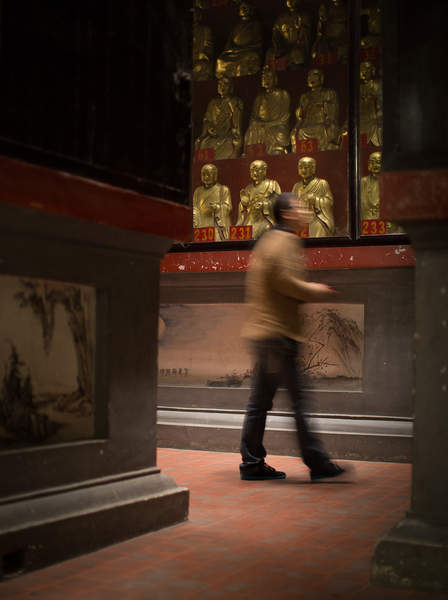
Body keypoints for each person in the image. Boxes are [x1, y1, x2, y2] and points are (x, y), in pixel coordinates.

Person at [239, 192, 347, 481]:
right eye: (298, 207)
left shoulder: (266, 241)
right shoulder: (286, 242)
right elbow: (285, 282)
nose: (304, 211)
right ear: (286, 213)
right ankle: (317, 462)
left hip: (265, 332)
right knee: (298, 401)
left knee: (260, 402)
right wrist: (317, 290)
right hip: (278, 335)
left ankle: (251, 463)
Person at [243, 65, 291, 155]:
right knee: (251, 131)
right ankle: (252, 151)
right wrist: (260, 123)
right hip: (261, 125)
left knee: (281, 133)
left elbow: (285, 116)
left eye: (269, 77)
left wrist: (270, 124)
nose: (266, 80)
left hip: (277, 125)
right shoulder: (259, 97)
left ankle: (277, 148)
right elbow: (253, 117)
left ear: (275, 79)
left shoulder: (283, 94)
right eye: (264, 78)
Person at [195, 76, 243, 159]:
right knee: (203, 143)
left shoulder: (236, 102)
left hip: (228, 135)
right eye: (220, 84)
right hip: (214, 135)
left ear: (231, 87)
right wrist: (209, 129)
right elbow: (207, 120)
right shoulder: (213, 103)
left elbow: (237, 123)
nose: (222, 87)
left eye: (225, 84)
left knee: (231, 144)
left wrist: (232, 106)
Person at [292, 156, 335, 237]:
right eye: (301, 167)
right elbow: (292, 204)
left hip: (316, 217)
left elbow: (329, 202)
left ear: (313, 169)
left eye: (306, 167)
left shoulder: (322, 183)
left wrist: (315, 200)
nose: (303, 170)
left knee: (319, 227)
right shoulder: (296, 186)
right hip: (301, 218)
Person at [236, 159, 280, 239]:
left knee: (267, 230)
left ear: (264, 171)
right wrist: (243, 204)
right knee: (244, 231)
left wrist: (264, 205)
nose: (254, 173)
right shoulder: (248, 188)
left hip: (265, 220)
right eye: (252, 171)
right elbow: (244, 208)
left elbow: (278, 203)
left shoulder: (272, 185)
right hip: (251, 220)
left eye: (257, 170)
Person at [193, 163, 232, 241]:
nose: (206, 177)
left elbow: (228, 208)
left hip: (215, 224)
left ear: (215, 175)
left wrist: (218, 208)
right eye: (203, 174)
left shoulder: (223, 190)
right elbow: (194, 207)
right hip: (201, 225)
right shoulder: (198, 191)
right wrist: (194, 213)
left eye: (209, 174)